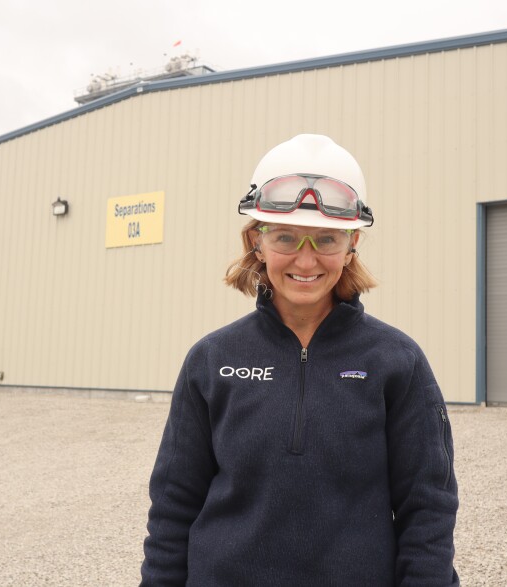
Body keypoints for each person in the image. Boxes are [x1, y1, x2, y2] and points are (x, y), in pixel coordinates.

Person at [141, 134, 459, 586]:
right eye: (285, 236)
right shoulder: (212, 360)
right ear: (256, 240)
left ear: (352, 245)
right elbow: (174, 502)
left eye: (326, 239)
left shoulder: (396, 361)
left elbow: (428, 505)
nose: (306, 261)